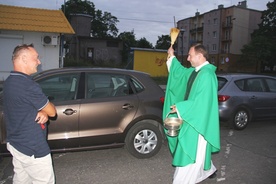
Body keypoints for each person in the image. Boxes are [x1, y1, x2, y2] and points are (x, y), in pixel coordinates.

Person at [163, 43, 220, 183]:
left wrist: (181, 107)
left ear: (200, 56)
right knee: (199, 151)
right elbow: (179, 73)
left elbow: (203, 102)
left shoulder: (206, 75)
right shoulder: (196, 71)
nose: (188, 58)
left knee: (188, 150)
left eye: (190, 55)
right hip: (192, 116)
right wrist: (172, 56)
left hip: (197, 121)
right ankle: (209, 169)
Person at [3, 44, 57, 184]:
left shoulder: (9, 81)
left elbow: (21, 108)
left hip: (16, 144)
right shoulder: (28, 85)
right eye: (36, 58)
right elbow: (52, 111)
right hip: (33, 148)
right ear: (24, 59)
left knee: (21, 181)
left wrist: (40, 111)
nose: (39, 62)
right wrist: (45, 110)